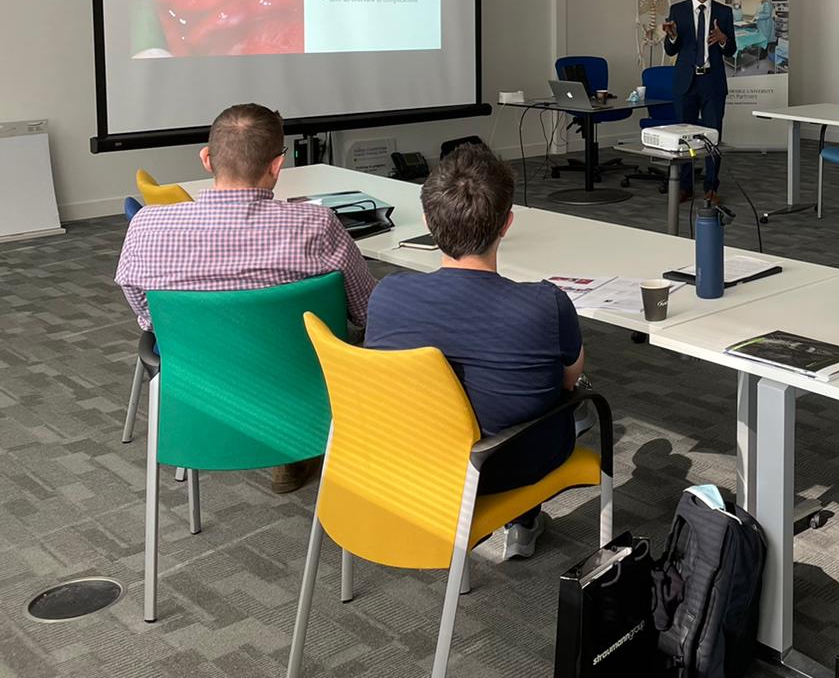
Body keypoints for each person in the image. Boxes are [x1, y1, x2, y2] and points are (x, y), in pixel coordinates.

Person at [115, 103, 375, 493]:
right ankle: (299, 451)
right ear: (277, 165)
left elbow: (145, 311)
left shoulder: (146, 227)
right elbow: (367, 311)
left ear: (207, 159)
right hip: (300, 372)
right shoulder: (317, 225)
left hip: (198, 382)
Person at [364, 144, 584, 560]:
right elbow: (570, 380)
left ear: (427, 222)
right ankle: (523, 521)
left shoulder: (387, 294)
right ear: (507, 223)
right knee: (560, 403)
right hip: (501, 467)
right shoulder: (545, 304)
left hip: (402, 455)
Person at [662, 0, 736, 204]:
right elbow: (671, 49)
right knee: (684, 137)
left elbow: (731, 49)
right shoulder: (678, 10)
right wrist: (672, 36)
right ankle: (685, 186)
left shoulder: (724, 12)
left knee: (713, 136)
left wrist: (723, 40)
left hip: (713, 83)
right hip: (686, 83)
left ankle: (711, 187)